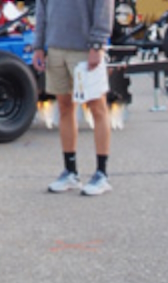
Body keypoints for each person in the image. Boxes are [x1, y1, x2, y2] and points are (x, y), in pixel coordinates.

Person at [32, 0, 112, 196]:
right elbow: (41, 7)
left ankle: (101, 174)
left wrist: (97, 44)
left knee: (97, 108)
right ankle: (70, 172)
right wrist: (38, 46)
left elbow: (104, 6)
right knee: (65, 107)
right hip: (56, 48)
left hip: (85, 49)